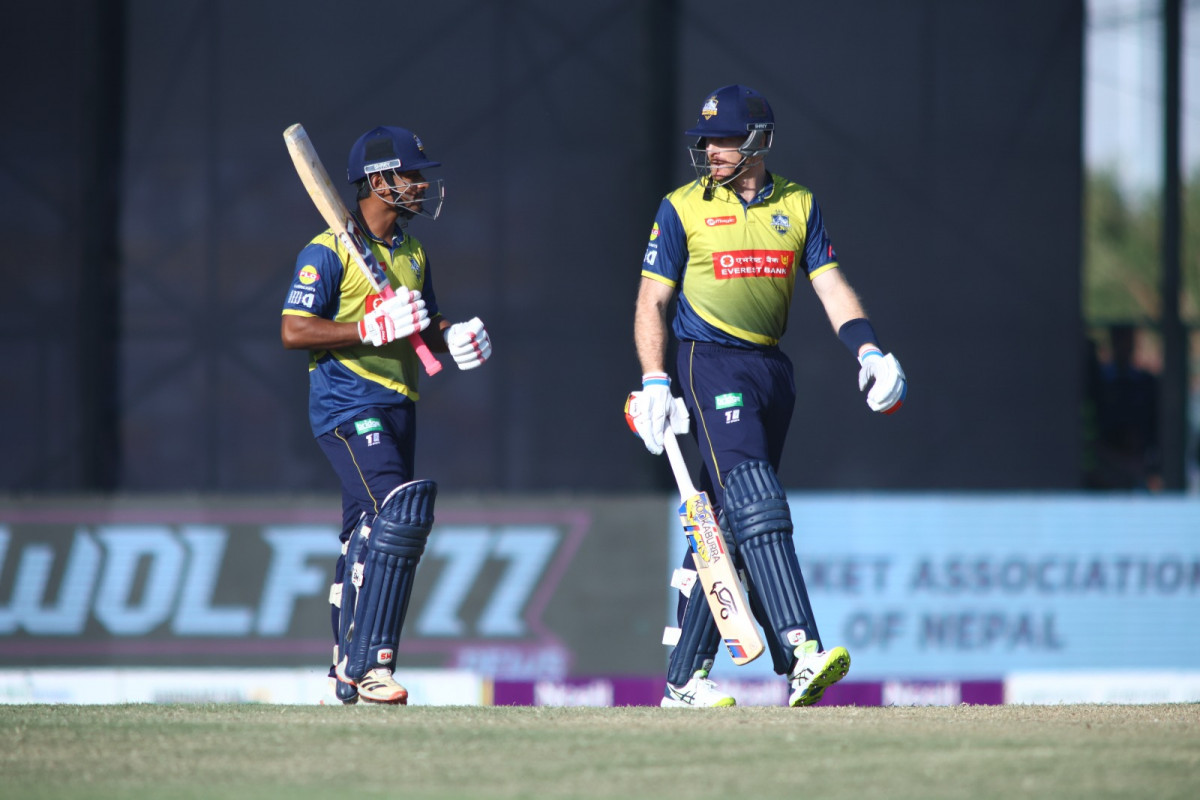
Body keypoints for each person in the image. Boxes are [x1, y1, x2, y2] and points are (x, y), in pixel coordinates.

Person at [625, 85, 906, 708]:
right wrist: (655, 380)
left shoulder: (798, 203)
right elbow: (652, 300)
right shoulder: (681, 207)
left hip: (771, 370)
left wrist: (869, 351)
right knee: (757, 497)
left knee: (730, 520)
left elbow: (831, 285)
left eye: (724, 138)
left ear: (758, 140)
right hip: (709, 361)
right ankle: (801, 652)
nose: (711, 150)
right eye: (706, 139)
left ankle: (682, 680)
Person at [281, 126, 492, 704]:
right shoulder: (327, 251)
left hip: (400, 403)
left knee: (364, 534)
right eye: (412, 175)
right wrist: (366, 328)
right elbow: (293, 330)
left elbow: (424, 322)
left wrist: (455, 335)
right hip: (348, 403)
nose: (422, 184)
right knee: (399, 515)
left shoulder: (412, 251)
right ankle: (372, 665)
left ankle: (340, 673)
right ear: (379, 181)